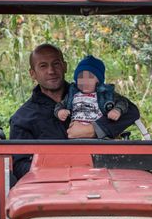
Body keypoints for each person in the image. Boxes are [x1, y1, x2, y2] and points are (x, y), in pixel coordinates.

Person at [9, 44, 140, 179]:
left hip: (102, 179)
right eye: (43, 66)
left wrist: (95, 129)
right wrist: (62, 166)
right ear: (33, 74)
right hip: (55, 189)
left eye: (56, 64)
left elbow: (131, 111)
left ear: (65, 66)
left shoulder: (93, 92)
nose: (51, 71)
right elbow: (19, 167)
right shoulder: (22, 118)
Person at [55, 55, 129, 124]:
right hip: (75, 133)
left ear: (99, 80)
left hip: (98, 134)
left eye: (90, 77)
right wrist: (59, 112)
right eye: (81, 77)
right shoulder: (73, 94)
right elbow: (60, 105)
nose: (85, 81)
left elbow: (122, 101)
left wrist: (117, 110)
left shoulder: (106, 94)